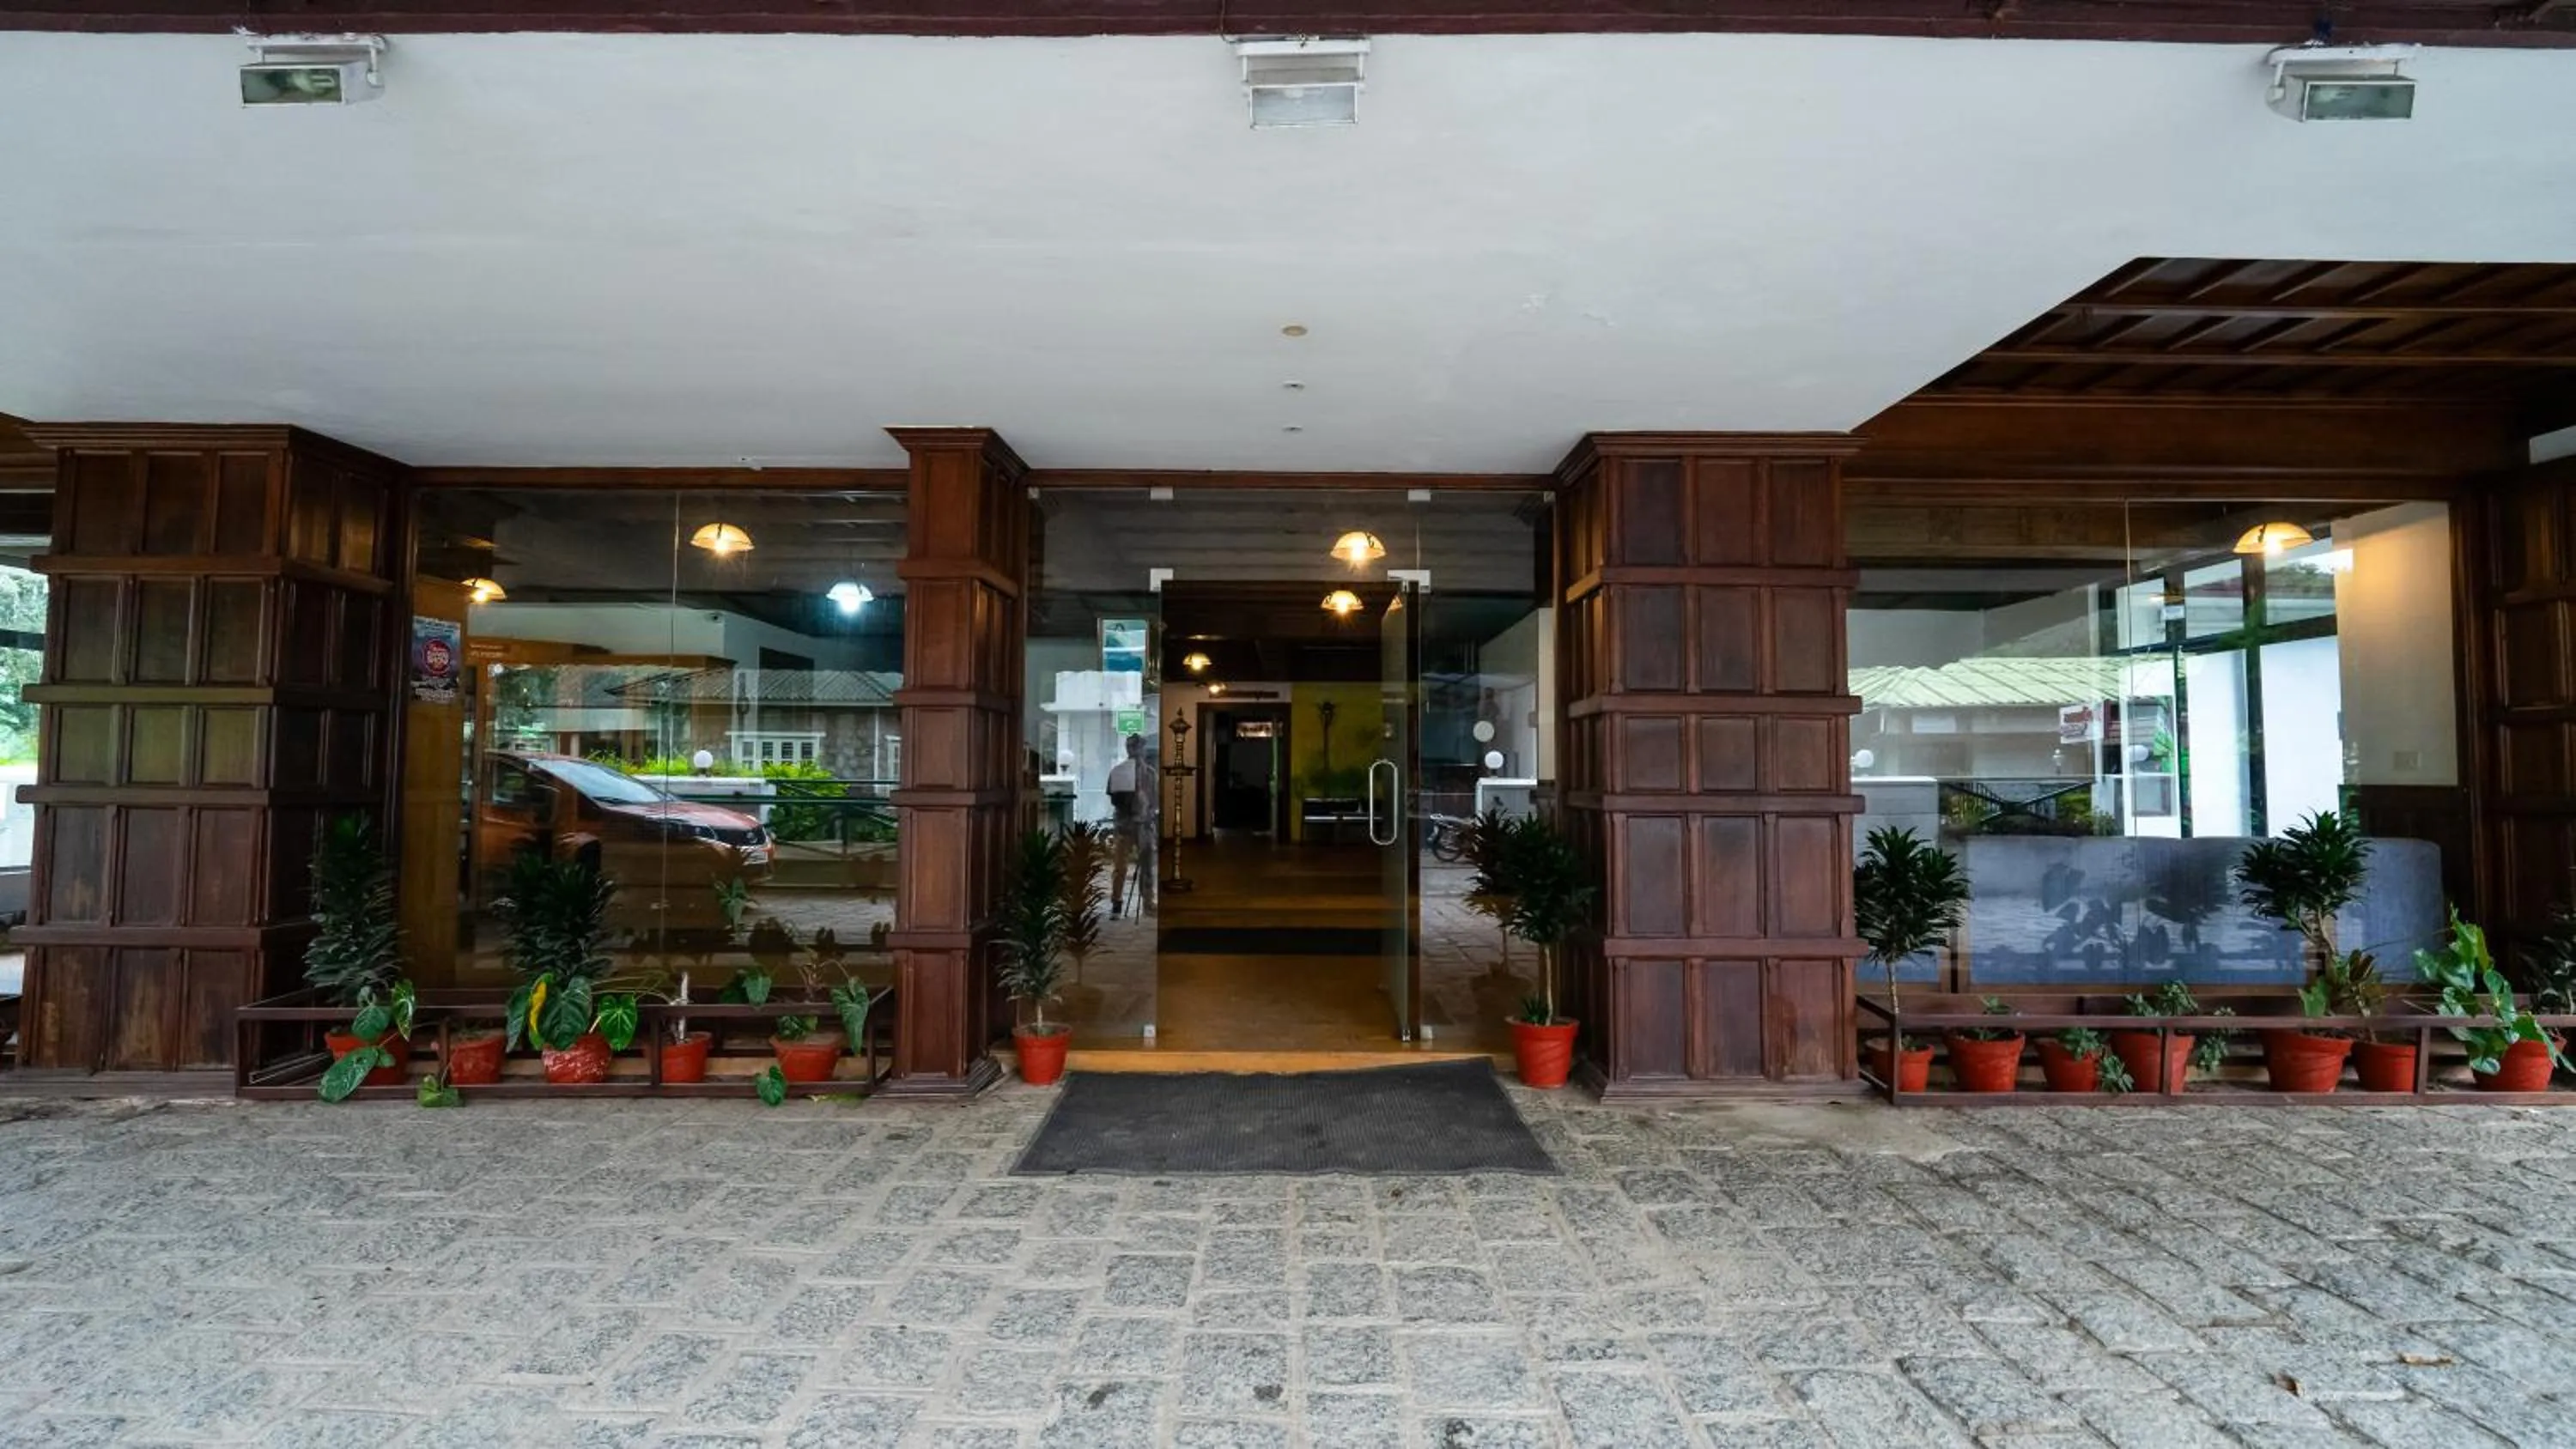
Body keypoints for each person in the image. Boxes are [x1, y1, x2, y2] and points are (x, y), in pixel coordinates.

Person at [1105, 732, 1157, 917]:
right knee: (1120, 866)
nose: (1134, 750)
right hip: (1124, 825)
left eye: (1137, 747)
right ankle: (1116, 902)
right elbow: (1114, 799)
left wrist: (1149, 816)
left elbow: (1154, 800)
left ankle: (1148, 903)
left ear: (1143, 749)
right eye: (1131, 747)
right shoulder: (1119, 771)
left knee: (1147, 866)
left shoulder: (1150, 773)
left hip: (1144, 825)